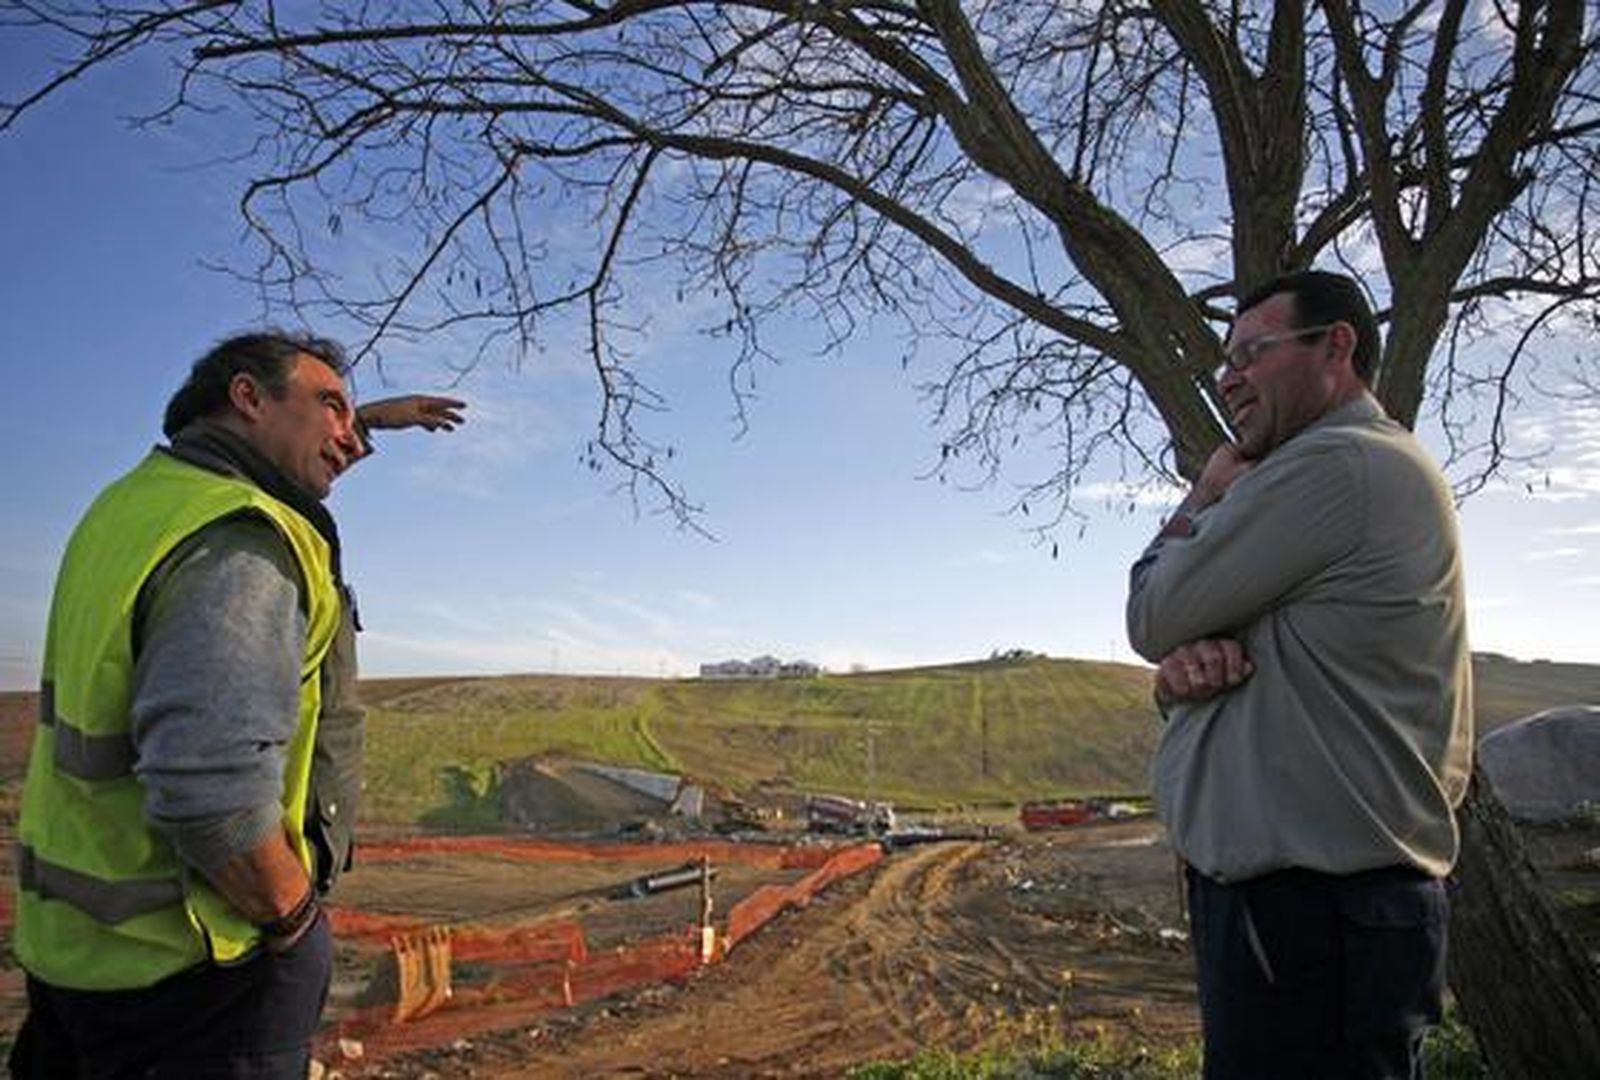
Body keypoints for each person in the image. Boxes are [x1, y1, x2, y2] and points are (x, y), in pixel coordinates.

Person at [11, 332, 464, 1078]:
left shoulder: (134, 505)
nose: (347, 436)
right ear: (248, 398)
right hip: (202, 964)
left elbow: (295, 449)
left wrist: (368, 420)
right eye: (331, 408)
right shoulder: (241, 542)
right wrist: (292, 921)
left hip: (82, 955)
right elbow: (209, 788)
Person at [1125, 271, 1473, 1079]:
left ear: (1337, 347)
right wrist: (1180, 680)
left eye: (1253, 352)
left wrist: (1203, 493)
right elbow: (1205, 651)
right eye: (1225, 360)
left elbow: (1152, 613)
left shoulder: (1333, 466)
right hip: (1315, 914)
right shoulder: (1346, 478)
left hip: (1315, 918)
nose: (1228, 377)